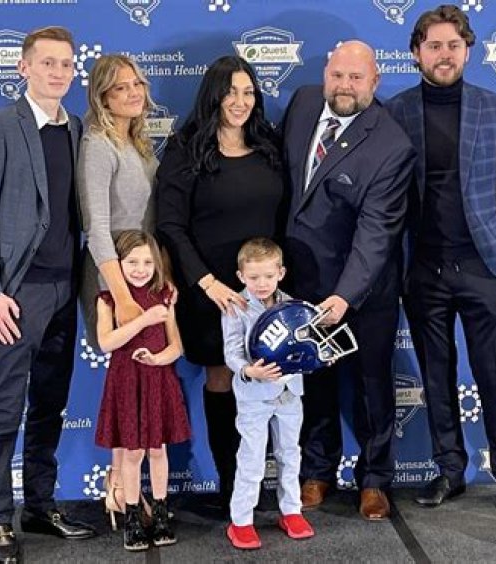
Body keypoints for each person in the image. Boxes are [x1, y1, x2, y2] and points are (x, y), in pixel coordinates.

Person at [384, 4, 496, 518]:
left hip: (485, 268)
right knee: (435, 376)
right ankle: (450, 469)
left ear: (468, 51)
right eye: (433, 46)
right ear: (416, 53)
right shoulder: (396, 111)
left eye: (453, 45)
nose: (443, 55)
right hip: (422, 268)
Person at [0, 26, 95, 563]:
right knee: (3, 410)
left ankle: (39, 505)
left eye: (67, 64)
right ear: (23, 68)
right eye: (48, 63)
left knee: (50, 405)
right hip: (16, 294)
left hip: (65, 289)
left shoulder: (76, 127)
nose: (59, 72)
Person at [282, 40, 415, 520]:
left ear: (374, 81)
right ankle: (317, 471)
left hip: (363, 291)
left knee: (370, 386)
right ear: (326, 73)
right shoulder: (302, 104)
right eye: (337, 75)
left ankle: (375, 479)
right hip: (301, 283)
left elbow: (377, 233)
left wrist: (344, 296)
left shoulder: (392, 145)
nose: (345, 86)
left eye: (356, 78)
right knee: (313, 383)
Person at [155, 55, 284, 510]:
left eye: (248, 92)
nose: (240, 101)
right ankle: (233, 485)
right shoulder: (185, 149)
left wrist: (274, 282)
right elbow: (170, 226)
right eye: (230, 92)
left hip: (264, 291)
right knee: (222, 376)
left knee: (268, 379)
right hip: (211, 292)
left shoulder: (268, 145)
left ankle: (260, 479)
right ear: (213, 96)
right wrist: (207, 283)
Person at [77, 53, 159, 524]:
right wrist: (123, 297)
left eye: (137, 84)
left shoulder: (138, 142)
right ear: (102, 97)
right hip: (115, 280)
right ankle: (120, 489)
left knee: (141, 381)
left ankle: (124, 487)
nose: (132, 93)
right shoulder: (98, 144)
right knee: (128, 384)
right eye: (120, 87)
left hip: (144, 273)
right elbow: (97, 228)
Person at [94, 230, 191, 552]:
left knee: (158, 450)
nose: (140, 269)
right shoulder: (107, 299)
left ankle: (161, 512)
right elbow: (106, 342)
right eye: (132, 262)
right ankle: (132, 515)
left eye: (148, 262)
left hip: (158, 379)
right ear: (118, 265)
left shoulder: (165, 296)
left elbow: (176, 345)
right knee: (133, 452)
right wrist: (144, 319)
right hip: (126, 382)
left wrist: (157, 359)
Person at [221, 238, 314, 549]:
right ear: (240, 276)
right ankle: (241, 521)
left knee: (290, 454)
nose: (261, 283)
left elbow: (305, 345)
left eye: (268, 276)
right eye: (253, 277)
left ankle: (292, 511)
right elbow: (232, 353)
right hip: (254, 397)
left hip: (290, 394)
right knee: (252, 458)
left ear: (281, 273)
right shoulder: (235, 306)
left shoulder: (294, 306)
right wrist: (250, 371)